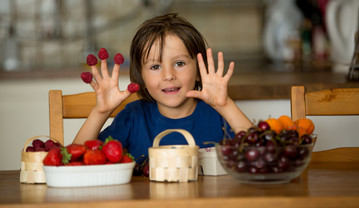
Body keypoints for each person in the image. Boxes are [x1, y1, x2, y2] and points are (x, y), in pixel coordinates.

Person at [74, 13, 253, 163]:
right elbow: (76, 161)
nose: (168, 75)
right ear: (140, 76)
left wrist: (225, 106)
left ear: (200, 70)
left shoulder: (219, 115)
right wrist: (101, 112)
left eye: (180, 63)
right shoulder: (133, 116)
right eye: (155, 67)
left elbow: (262, 155)